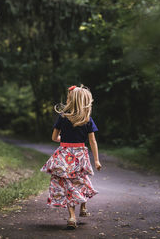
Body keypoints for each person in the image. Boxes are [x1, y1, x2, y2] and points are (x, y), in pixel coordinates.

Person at [40, 84, 102, 229]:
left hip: (64, 155)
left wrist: (65, 139)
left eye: (68, 97)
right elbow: (93, 141)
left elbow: (54, 137)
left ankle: (72, 217)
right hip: (80, 155)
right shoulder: (87, 119)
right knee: (81, 179)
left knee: (67, 184)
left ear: (72, 100)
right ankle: (83, 207)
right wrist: (97, 160)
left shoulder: (62, 118)